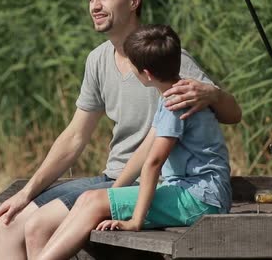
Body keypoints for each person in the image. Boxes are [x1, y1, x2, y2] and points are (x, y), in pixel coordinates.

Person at [0, 0, 241, 260]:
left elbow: (231, 115)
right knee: (7, 222)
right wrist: (26, 192)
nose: (95, 6)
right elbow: (74, 137)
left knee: (37, 227)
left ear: (134, 1)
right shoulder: (97, 60)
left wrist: (212, 94)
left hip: (160, 185)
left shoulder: (165, 56)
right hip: (114, 177)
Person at [35, 24, 232, 260]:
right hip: (193, 193)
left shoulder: (174, 103)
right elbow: (146, 148)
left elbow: (153, 163)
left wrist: (136, 221)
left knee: (93, 202)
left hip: (201, 198)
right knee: (90, 199)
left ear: (146, 74)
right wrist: (113, 195)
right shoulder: (173, 93)